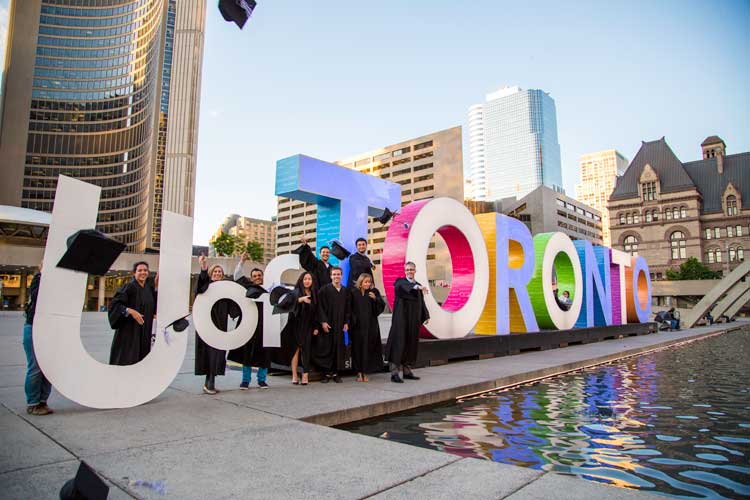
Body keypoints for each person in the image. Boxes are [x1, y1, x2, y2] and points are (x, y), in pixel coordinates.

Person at [195, 255, 240, 395]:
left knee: (217, 355)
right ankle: (209, 383)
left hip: (220, 327)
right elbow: (200, 287)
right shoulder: (206, 286)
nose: (217, 274)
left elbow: (234, 308)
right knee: (209, 354)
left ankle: (210, 382)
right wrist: (203, 267)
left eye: (220, 272)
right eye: (215, 272)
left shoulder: (225, 289)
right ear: (211, 273)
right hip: (206, 326)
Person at [230, 254, 271, 389]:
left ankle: (262, 380)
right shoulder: (247, 286)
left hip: (265, 324)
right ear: (251, 278)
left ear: (263, 276)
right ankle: (245, 380)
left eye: (259, 275)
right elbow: (237, 276)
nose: (257, 278)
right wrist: (241, 262)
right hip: (249, 322)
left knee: (265, 352)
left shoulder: (270, 288)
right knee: (247, 352)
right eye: (255, 276)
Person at [385, 261, 429, 383]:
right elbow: (404, 287)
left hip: (413, 319)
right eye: (407, 270)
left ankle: (407, 371)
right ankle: (394, 373)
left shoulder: (418, 285)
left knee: (411, 344)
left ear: (415, 271)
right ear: (405, 271)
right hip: (401, 319)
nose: (409, 271)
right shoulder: (400, 282)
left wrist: (426, 315)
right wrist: (418, 287)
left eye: (411, 269)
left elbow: (422, 302)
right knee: (398, 343)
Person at [108, 261, 157, 366]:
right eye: (140, 270)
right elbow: (114, 305)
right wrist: (130, 311)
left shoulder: (148, 289)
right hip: (129, 332)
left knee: (141, 361)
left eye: (145, 270)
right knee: (128, 360)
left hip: (144, 332)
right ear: (134, 273)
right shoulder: (129, 287)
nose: (143, 272)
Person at [278, 272, 320, 385]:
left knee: (306, 351)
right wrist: (300, 300)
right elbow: (283, 304)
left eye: (309, 279)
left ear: (312, 281)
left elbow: (317, 312)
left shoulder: (315, 294)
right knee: (295, 351)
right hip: (295, 325)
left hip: (308, 326)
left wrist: (316, 326)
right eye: (305, 279)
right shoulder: (295, 293)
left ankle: (305, 375)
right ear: (301, 280)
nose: (307, 281)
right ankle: (295, 375)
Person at [23, 263, 53, 416]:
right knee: (35, 367)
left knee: (48, 368)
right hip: (34, 327)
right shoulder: (39, 279)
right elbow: (36, 296)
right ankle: (33, 403)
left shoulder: (57, 283)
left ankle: (42, 401)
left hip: (50, 329)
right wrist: (43, 275)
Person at [314, 266, 351, 383]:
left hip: (340, 325)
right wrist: (323, 322)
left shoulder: (345, 291)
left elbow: (348, 309)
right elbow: (319, 307)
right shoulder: (324, 290)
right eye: (334, 274)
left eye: (338, 274)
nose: (336, 276)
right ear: (330, 276)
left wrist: (346, 322)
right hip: (328, 325)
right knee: (327, 349)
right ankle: (326, 374)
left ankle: (336, 373)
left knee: (338, 349)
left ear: (341, 275)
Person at [349, 273, 385, 382]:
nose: (367, 284)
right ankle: (358, 373)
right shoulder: (353, 293)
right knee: (357, 350)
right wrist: (353, 321)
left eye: (369, 282)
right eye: (365, 282)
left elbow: (380, 308)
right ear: (360, 282)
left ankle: (365, 372)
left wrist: (376, 299)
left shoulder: (372, 293)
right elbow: (349, 309)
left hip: (370, 327)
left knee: (367, 349)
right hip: (357, 327)